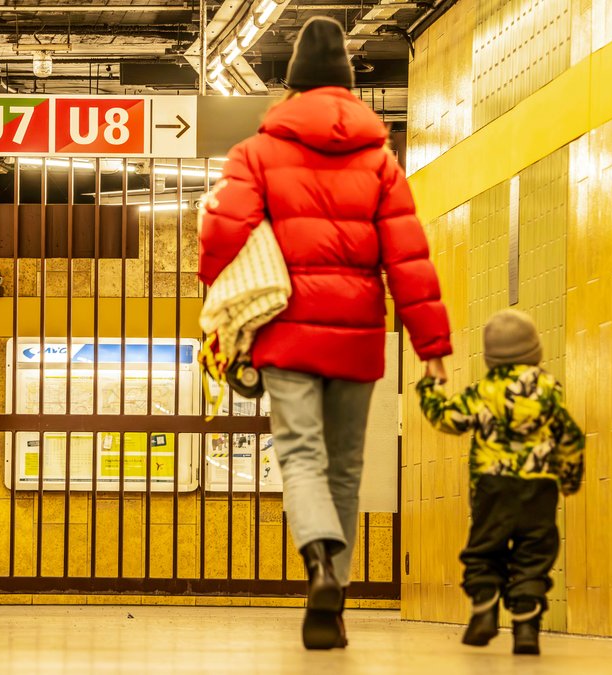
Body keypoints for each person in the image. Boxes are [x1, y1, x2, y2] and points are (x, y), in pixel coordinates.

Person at [198, 16, 453, 650]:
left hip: (286, 334)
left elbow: (221, 231)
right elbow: (408, 257)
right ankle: (333, 596)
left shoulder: (256, 153)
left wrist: (218, 292)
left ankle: (317, 563)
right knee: (346, 466)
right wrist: (431, 345)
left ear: (291, 86)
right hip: (358, 336)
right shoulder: (379, 160)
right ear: (347, 87)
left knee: (300, 455)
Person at [416, 309, 585, 655]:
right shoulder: (549, 390)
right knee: (533, 554)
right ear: (535, 351)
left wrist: (429, 387)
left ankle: (484, 607)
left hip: (492, 487)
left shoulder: (484, 391)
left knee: (485, 548)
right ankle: (526, 629)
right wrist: (568, 479)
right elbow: (570, 435)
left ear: (490, 356)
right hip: (539, 487)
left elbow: (447, 418)